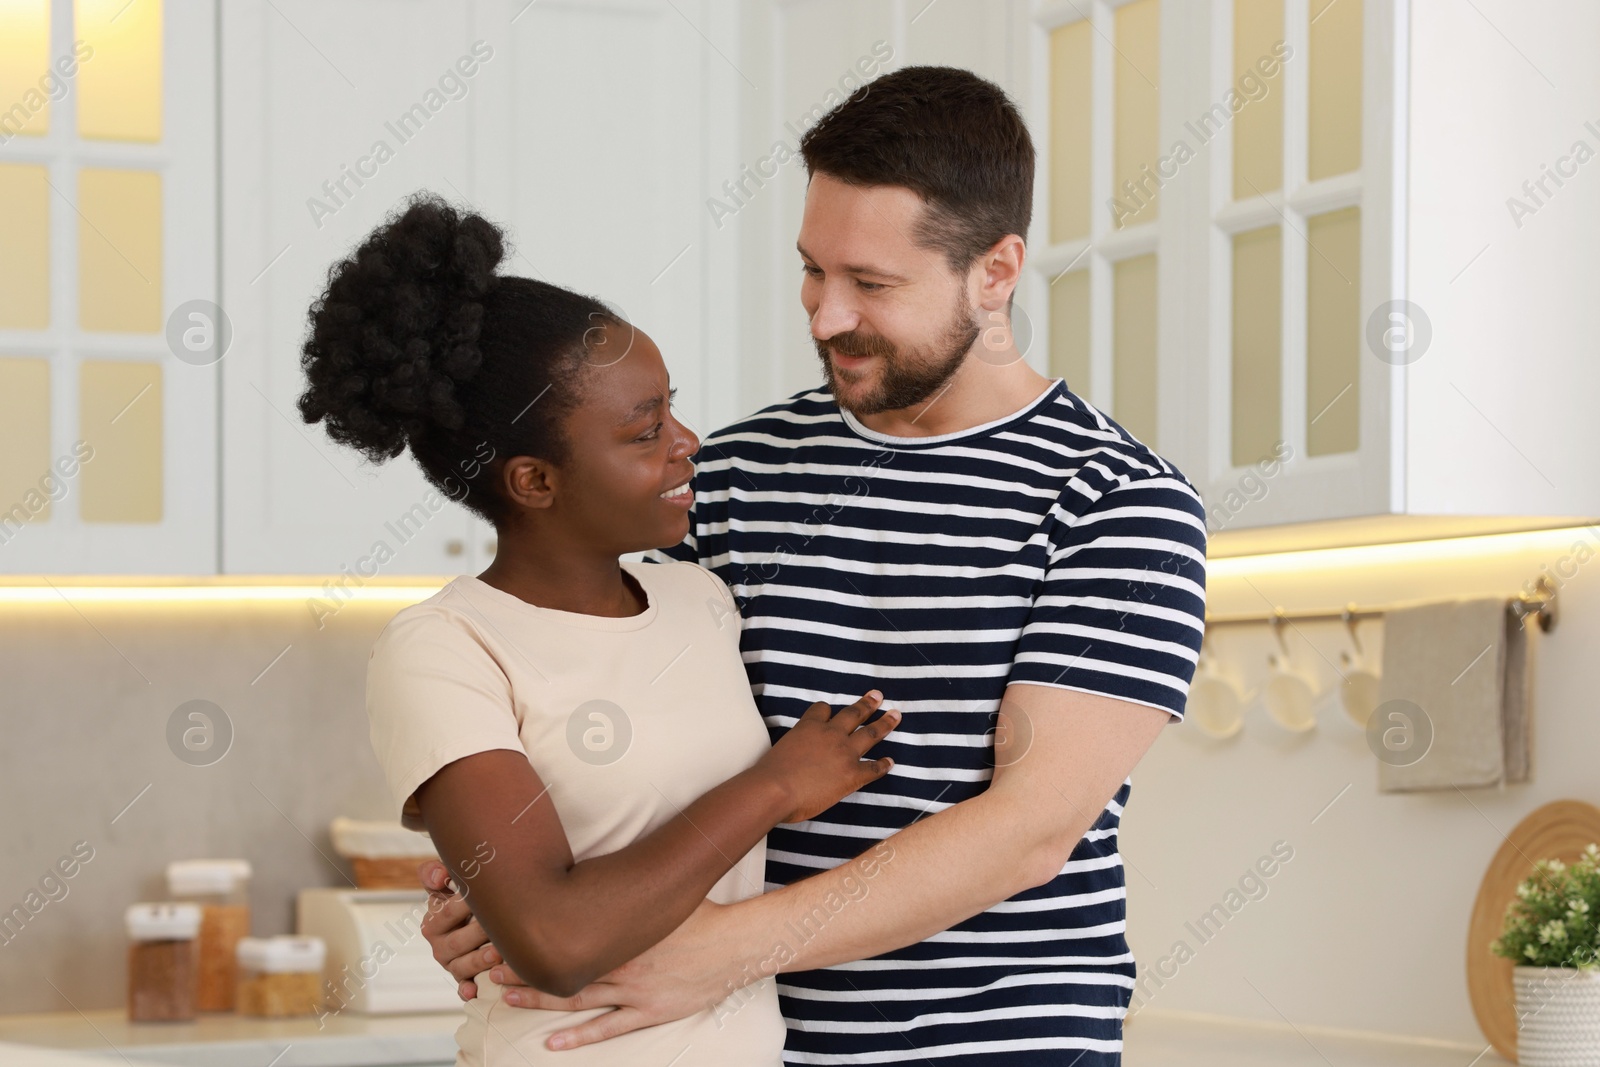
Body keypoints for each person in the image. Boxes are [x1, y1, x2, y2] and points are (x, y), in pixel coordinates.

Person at [422, 65, 1209, 1064]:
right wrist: (501, 886)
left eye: (871, 284)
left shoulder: (1117, 502)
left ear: (995, 271)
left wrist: (720, 951)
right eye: (811, 269)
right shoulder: (728, 475)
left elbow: (1028, 826)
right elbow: (592, 721)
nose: (825, 314)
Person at [297, 195, 901, 1065]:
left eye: (673, 411)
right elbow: (555, 937)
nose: (689, 444)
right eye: (645, 431)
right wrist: (775, 786)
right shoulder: (446, 647)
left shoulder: (701, 600)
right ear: (535, 482)